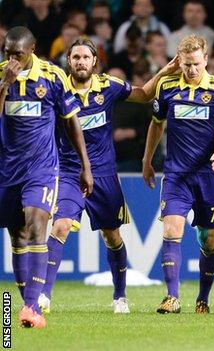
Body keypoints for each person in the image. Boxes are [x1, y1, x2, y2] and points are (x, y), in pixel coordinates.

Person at [38, 38, 179, 314]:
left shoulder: (108, 86)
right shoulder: (56, 90)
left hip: (104, 175)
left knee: (112, 236)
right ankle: (43, 296)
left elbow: (143, 94)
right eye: (75, 57)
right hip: (69, 172)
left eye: (85, 57)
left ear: (94, 61)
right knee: (60, 227)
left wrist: (164, 71)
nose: (80, 62)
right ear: (69, 61)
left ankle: (120, 296)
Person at [0, 26, 93, 329]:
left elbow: (71, 123)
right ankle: (28, 299)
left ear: (32, 49)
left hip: (41, 167)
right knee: (17, 236)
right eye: (7, 52)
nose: (12, 58)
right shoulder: (1, 74)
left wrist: (85, 165)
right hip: (7, 169)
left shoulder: (52, 77)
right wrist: (5, 85)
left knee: (38, 222)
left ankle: (30, 307)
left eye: (18, 53)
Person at [142, 34, 214, 314]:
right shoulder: (167, 86)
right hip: (176, 175)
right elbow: (156, 125)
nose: (192, 70)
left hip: (207, 175)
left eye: (196, 64)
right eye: (186, 65)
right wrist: (147, 160)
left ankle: (203, 298)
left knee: (209, 239)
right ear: (178, 62)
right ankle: (172, 296)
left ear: (206, 59)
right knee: (171, 230)